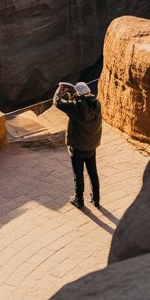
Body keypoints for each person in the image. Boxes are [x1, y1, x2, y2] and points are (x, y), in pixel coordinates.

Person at [54, 81, 102, 209]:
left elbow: (57, 102)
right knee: (93, 173)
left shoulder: (75, 108)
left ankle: (79, 200)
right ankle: (96, 199)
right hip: (91, 146)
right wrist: (75, 95)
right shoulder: (97, 104)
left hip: (77, 148)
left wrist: (60, 90)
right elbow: (85, 100)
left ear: (78, 94)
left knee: (78, 174)